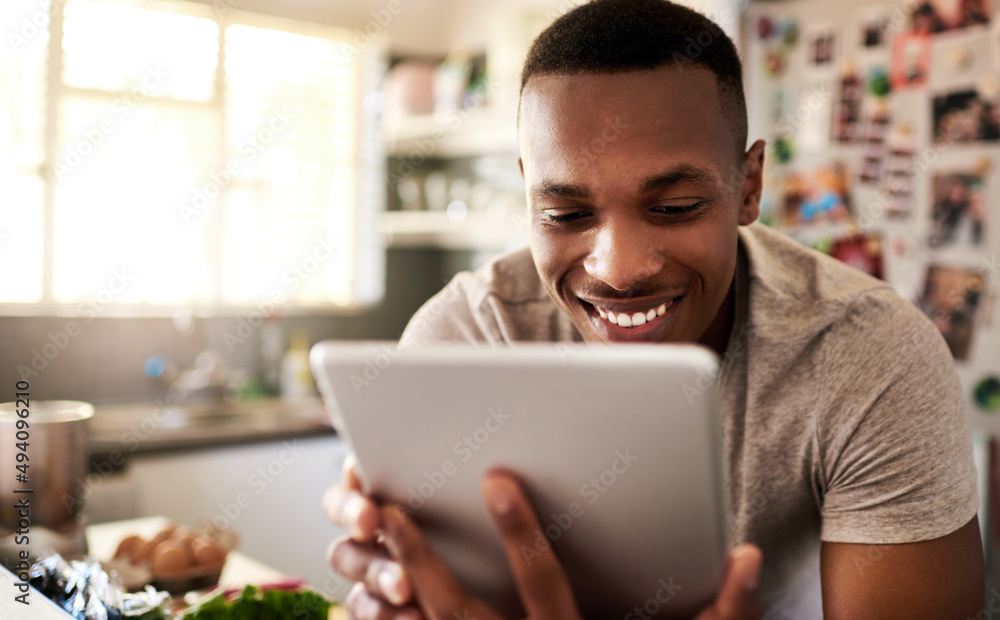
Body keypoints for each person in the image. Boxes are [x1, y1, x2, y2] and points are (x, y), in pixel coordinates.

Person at [323, 1, 984, 618]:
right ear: (527, 194)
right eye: (566, 214)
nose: (617, 267)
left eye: (673, 209)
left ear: (748, 185)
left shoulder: (870, 353)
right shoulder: (466, 340)